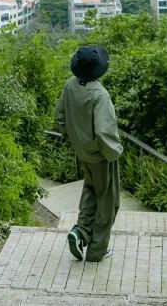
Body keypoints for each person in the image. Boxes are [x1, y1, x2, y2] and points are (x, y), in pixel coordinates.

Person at [54, 44, 122, 262]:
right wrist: (114, 152)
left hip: (83, 152)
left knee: (90, 192)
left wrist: (75, 139)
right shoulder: (99, 94)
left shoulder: (70, 86)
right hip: (101, 156)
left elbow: (60, 117)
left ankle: (80, 231)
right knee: (108, 202)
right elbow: (104, 131)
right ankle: (96, 251)